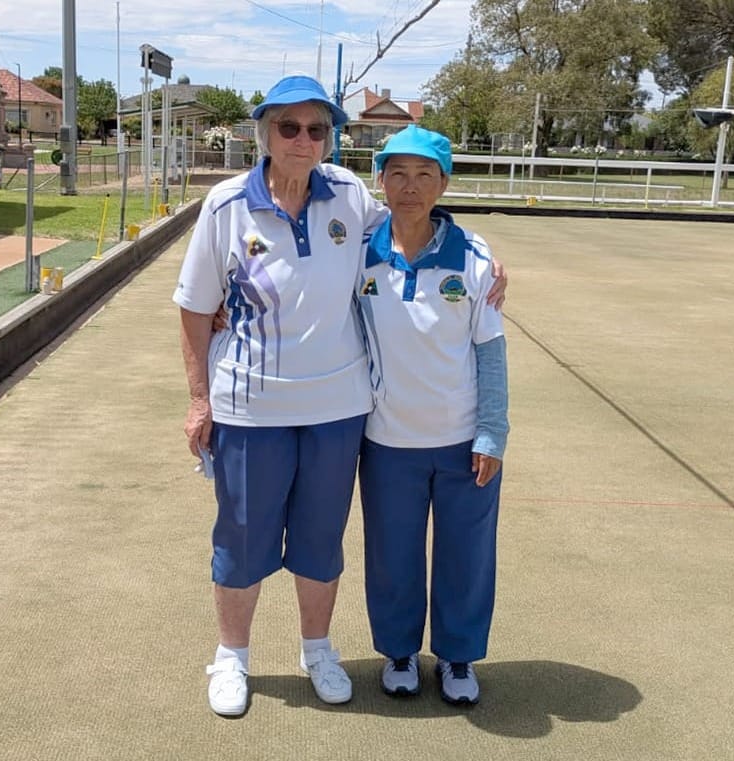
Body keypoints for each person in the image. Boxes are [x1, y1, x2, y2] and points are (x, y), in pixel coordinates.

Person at [174, 76, 507, 717]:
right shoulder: (224, 206)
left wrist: (488, 256)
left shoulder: (352, 194)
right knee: (242, 541)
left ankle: (318, 650)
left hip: (340, 410)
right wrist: (199, 400)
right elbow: (194, 310)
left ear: (331, 137)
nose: (303, 140)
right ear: (262, 131)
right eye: (288, 127)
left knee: (321, 541)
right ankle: (232, 658)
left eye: (317, 129)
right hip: (251, 406)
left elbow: (421, 218)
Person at [356, 125, 509, 706]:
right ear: (382, 180)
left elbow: (490, 352)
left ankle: (458, 657)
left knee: (466, 556)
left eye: (424, 175)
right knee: (393, 552)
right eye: (397, 173)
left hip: (462, 440)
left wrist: (492, 433)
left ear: (444, 183)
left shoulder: (474, 258)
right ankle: (399, 651)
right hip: (386, 439)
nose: (410, 187)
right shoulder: (360, 247)